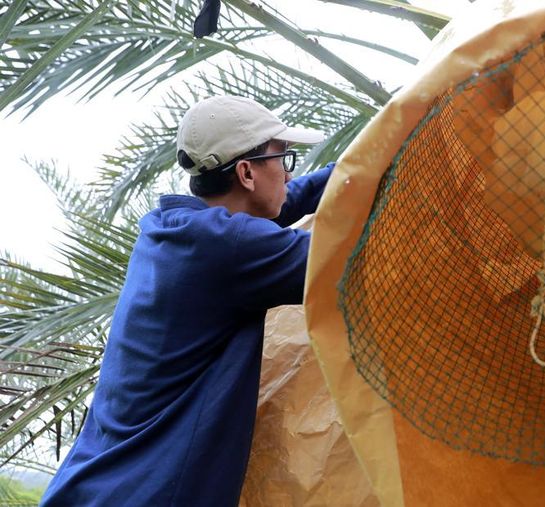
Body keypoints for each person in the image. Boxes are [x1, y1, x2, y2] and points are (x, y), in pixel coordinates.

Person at [41, 95, 335, 506]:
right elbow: (356, 257)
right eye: (282, 159)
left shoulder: (171, 230)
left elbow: (294, 197)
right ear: (247, 173)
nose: (288, 174)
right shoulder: (227, 247)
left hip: (92, 489)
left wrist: (381, 148)